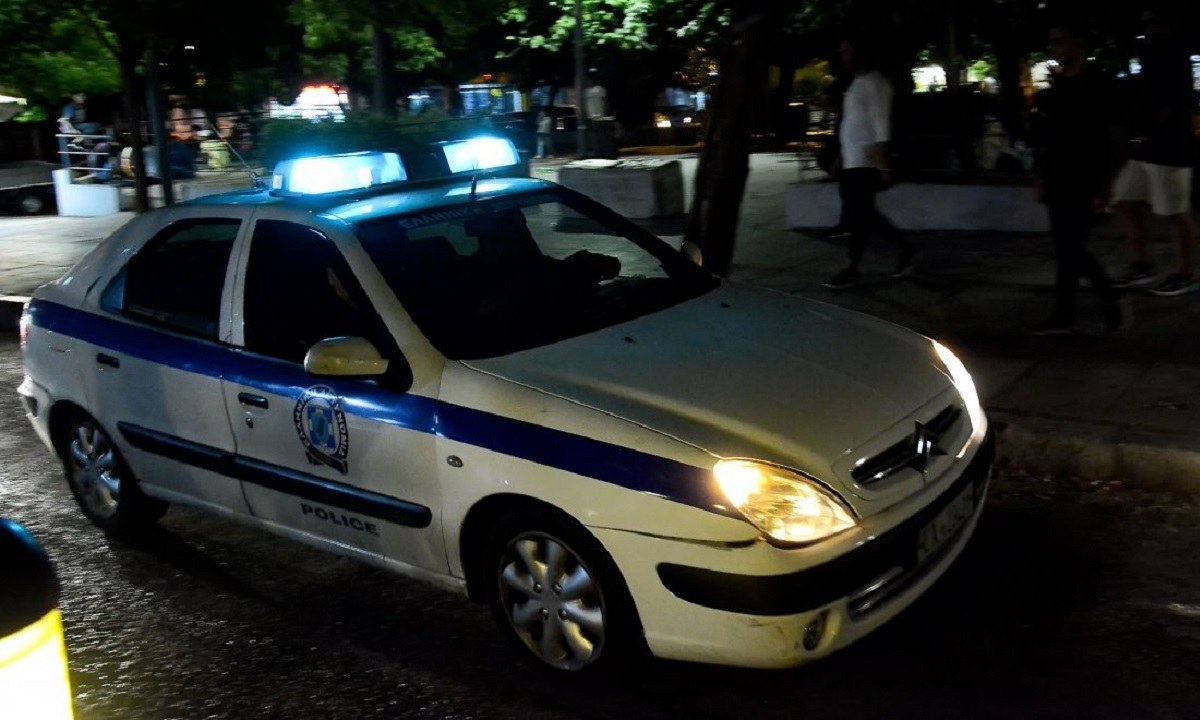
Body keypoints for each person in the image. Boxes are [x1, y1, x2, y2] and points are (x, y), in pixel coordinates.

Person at [1027, 19, 1122, 335]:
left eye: (1059, 41)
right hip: (1057, 175)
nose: (1053, 48)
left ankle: (1104, 299)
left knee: (1071, 247)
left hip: (1084, 176)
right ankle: (1067, 311)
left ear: (1077, 43)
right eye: (1052, 42)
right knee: (1065, 247)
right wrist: (1040, 176)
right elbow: (1047, 137)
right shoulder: (1056, 87)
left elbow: (1113, 135)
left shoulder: (1098, 84)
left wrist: (1105, 183)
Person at [1109, 7, 1197, 296]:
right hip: (1146, 146)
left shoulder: (1172, 54)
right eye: (1145, 22)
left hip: (1170, 146)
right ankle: (1142, 264)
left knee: (1175, 211)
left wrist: (1143, 135)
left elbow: (1169, 103)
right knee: (1125, 199)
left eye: (1152, 22)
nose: (1147, 27)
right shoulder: (1152, 53)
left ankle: (1185, 272)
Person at [824, 32, 915, 290]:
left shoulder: (876, 84)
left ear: (862, 53)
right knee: (863, 215)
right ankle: (904, 250)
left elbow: (880, 126)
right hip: (853, 161)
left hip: (866, 161)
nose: (844, 56)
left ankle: (853, 267)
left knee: (859, 215)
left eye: (848, 50)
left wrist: (884, 165)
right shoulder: (857, 83)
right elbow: (854, 125)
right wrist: (841, 157)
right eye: (842, 51)